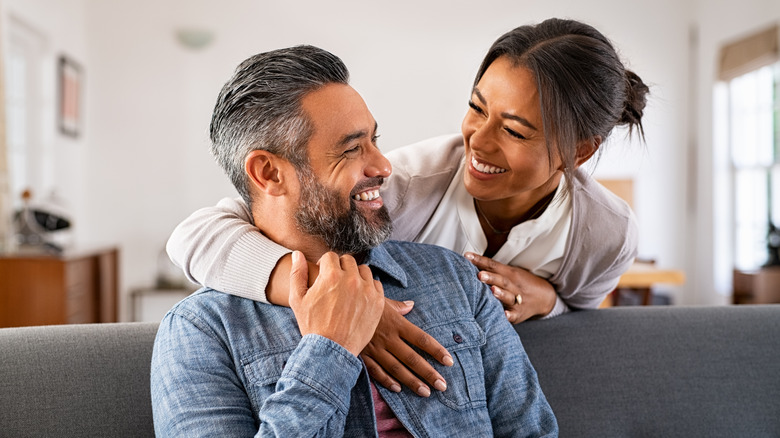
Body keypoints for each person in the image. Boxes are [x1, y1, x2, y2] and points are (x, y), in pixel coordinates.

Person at [166, 18, 648, 395]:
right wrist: (345, 304)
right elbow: (196, 236)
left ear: (579, 151)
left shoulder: (606, 234)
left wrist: (549, 302)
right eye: (476, 108)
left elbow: (582, 318)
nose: (477, 142)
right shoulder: (405, 184)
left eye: (515, 130)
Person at [151, 45, 557, 437]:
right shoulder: (201, 331)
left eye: (375, 140)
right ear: (269, 174)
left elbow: (532, 432)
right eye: (351, 149)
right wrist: (329, 348)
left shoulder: (456, 279)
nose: (383, 165)